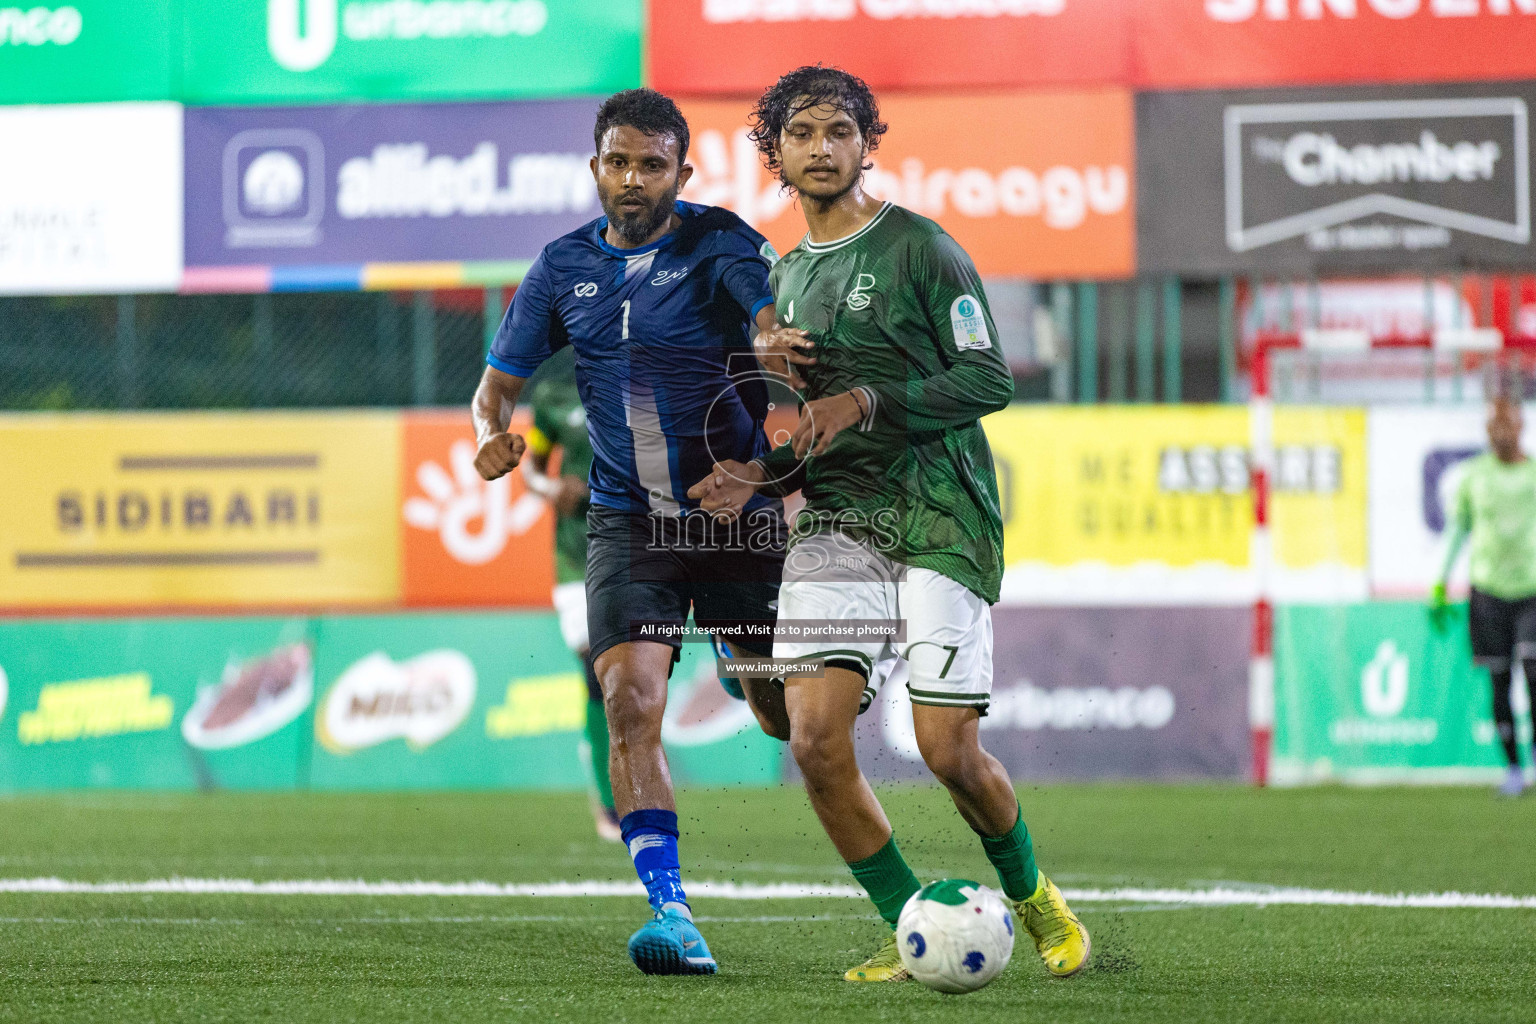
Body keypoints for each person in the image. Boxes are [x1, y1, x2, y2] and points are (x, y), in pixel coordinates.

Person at [688, 66, 1090, 983]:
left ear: (869, 142)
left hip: (940, 513)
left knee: (948, 750)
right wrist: (753, 467)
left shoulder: (920, 249)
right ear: (774, 153)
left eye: (839, 132)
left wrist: (866, 399)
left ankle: (1033, 898)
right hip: (839, 521)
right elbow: (802, 429)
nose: (822, 149)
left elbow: (990, 379)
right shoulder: (780, 281)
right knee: (814, 739)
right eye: (802, 134)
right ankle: (909, 924)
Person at [472, 88, 793, 976]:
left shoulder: (721, 242)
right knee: (629, 702)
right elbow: (496, 387)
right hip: (627, 523)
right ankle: (673, 911)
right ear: (595, 168)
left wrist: (771, 341)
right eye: (619, 161)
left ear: (682, 173)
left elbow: (767, 317)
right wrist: (487, 437)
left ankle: (747, 666)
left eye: (653, 164)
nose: (633, 179)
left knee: (778, 717)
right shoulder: (561, 267)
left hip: (733, 519)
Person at [520, 350, 621, 841]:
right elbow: (531, 470)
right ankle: (609, 801)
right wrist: (550, 488)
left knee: (630, 679)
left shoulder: (642, 376)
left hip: (633, 547)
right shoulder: (552, 396)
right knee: (595, 673)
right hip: (575, 556)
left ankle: (622, 772)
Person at [1433, 396, 1536, 797]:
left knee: (1533, 674)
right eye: (1495, 427)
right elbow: (1458, 529)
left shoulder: (1532, 476)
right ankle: (1513, 768)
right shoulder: (1474, 476)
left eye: (1508, 425)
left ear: (1521, 428)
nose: (1502, 434)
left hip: (1531, 590)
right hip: (1488, 592)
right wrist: (1439, 581)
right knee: (1499, 680)